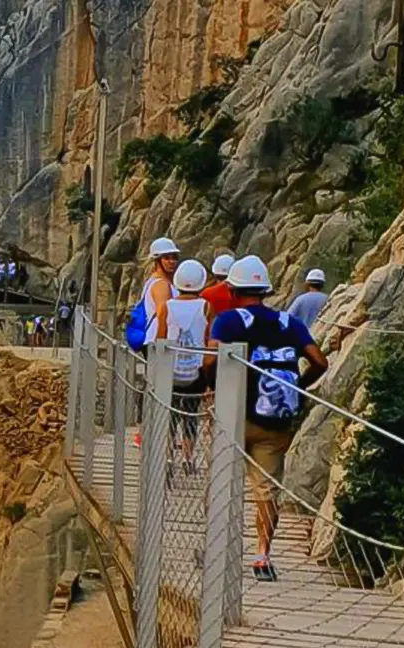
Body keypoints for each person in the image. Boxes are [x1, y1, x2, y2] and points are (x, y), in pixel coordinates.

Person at [207, 255, 329, 583]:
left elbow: (210, 359)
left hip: (233, 414)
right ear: (264, 290)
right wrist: (299, 386)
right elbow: (320, 361)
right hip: (274, 421)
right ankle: (262, 555)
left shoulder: (228, 321)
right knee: (267, 490)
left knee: (221, 480)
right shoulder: (289, 323)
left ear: (233, 290)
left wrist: (212, 384)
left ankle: (216, 549)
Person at [156, 259, 212, 473]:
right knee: (190, 416)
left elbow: (161, 339)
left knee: (170, 416)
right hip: (196, 371)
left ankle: (168, 457)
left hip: (171, 370)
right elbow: (208, 338)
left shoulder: (166, 307)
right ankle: (188, 458)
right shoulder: (206, 306)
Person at [141, 237, 181, 343]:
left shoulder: (153, 281)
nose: (172, 261)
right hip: (158, 339)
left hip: (153, 338)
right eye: (167, 258)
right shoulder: (161, 284)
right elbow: (162, 314)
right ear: (157, 260)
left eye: (174, 257)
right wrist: (161, 343)